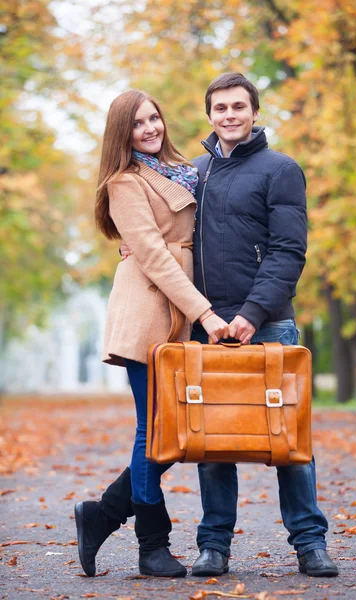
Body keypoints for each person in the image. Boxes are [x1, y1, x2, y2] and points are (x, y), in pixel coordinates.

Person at [119, 73, 339, 579]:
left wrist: (252, 314)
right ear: (209, 114)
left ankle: (310, 543)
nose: (230, 115)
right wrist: (127, 242)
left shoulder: (282, 170)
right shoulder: (193, 172)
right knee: (211, 444)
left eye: (239, 106)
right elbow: (159, 228)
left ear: (255, 112)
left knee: (289, 441)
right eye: (220, 108)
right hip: (208, 326)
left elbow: (289, 251)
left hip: (268, 324)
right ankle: (214, 545)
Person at [74, 89, 229, 579]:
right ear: (124, 133)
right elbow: (155, 255)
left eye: (155, 117)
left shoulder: (181, 168)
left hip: (178, 312)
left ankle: (102, 515)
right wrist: (205, 313)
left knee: (176, 431)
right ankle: (151, 545)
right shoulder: (125, 181)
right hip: (148, 309)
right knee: (155, 431)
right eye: (138, 123)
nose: (151, 128)